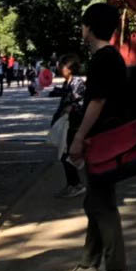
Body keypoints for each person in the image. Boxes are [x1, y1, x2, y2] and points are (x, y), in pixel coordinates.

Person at [61, 3, 134, 271]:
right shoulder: (110, 57)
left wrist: (79, 136)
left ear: (89, 27)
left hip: (102, 138)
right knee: (95, 199)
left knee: (101, 203)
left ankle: (114, 267)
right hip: (106, 137)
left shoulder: (103, 59)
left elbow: (97, 101)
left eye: (83, 25)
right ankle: (89, 261)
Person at [52, 52, 86, 197]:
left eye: (62, 65)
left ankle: (75, 184)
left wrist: (71, 108)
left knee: (67, 154)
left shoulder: (77, 83)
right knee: (65, 154)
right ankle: (72, 183)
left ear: (70, 68)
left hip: (74, 124)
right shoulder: (68, 82)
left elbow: (81, 103)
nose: (60, 68)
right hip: (67, 123)